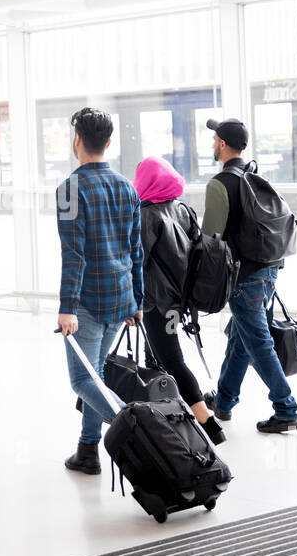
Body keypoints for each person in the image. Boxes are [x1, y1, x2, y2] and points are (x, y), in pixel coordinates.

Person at [200, 117, 297, 434]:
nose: (213, 144)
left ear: (223, 145)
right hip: (268, 271)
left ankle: (286, 409)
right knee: (240, 338)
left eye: (215, 139)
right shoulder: (254, 177)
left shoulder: (221, 184)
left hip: (244, 279)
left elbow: (210, 239)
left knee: (258, 342)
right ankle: (224, 402)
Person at [57, 107, 143, 475]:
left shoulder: (69, 190)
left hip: (88, 303)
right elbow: (136, 249)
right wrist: (137, 300)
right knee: (95, 375)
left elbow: (73, 256)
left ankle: (138, 429)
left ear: (77, 140)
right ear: (108, 143)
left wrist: (67, 307)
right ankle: (88, 450)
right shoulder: (127, 186)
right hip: (121, 297)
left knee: (82, 379)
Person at [133, 156, 227, 446]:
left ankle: (207, 423)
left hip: (154, 302)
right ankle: (167, 421)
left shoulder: (146, 216)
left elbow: (138, 261)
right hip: (178, 301)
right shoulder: (182, 210)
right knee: (159, 360)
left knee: (172, 360)